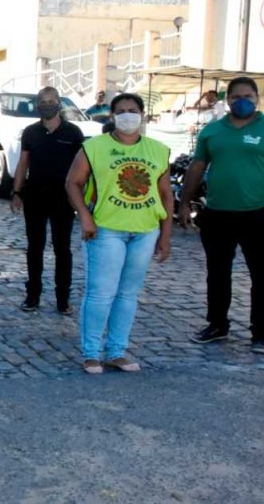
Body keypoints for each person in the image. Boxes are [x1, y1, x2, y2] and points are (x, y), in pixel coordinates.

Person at [66, 93, 172, 374]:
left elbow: (165, 194)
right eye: (121, 111)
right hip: (106, 229)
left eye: (133, 110)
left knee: (128, 294)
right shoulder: (94, 147)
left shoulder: (158, 150)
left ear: (142, 115)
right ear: (111, 116)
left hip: (145, 230)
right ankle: (91, 353)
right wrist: (85, 217)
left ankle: (116, 351)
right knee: (101, 293)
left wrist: (165, 235)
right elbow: (73, 183)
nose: (128, 115)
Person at [181, 77, 264, 354]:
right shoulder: (213, 131)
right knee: (217, 273)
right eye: (235, 97)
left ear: (257, 98)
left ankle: (262, 333)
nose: (241, 101)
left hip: (259, 213)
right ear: (228, 100)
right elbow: (198, 166)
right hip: (217, 214)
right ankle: (217, 325)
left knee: (261, 275)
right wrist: (184, 202)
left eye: (247, 95)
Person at [11, 87, 84, 314]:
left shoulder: (73, 132)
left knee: (62, 249)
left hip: (63, 197)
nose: (47, 105)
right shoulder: (31, 132)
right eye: (42, 101)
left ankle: (63, 299)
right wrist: (17, 192)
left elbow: (82, 168)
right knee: (35, 247)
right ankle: (32, 295)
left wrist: (80, 199)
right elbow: (23, 163)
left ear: (59, 103)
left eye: (51, 101)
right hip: (35, 195)